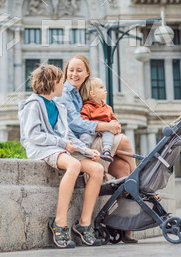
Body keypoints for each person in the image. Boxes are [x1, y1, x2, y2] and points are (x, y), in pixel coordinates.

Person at [18, 64, 104, 249]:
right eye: (61, 82)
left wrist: (86, 150)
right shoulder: (33, 104)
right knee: (74, 166)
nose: (64, 85)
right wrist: (62, 144)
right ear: (53, 83)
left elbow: (67, 136)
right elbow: (33, 135)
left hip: (58, 147)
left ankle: (84, 224)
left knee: (97, 169)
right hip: (41, 148)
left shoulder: (58, 105)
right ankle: (59, 223)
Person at [55, 55, 138, 243]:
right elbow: (74, 123)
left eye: (79, 70)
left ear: (87, 74)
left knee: (123, 170)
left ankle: (122, 223)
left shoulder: (82, 92)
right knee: (123, 140)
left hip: (93, 140)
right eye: (71, 70)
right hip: (80, 144)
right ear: (66, 71)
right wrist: (105, 127)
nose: (74, 74)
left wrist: (109, 124)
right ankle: (139, 181)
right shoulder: (65, 92)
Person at [79, 77, 119, 164]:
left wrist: (116, 127)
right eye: (101, 88)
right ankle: (83, 154)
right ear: (92, 93)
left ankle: (106, 151)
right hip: (91, 131)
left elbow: (114, 120)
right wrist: (97, 129)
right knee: (85, 137)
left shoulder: (108, 108)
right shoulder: (87, 107)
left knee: (109, 134)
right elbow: (84, 120)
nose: (105, 89)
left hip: (105, 131)